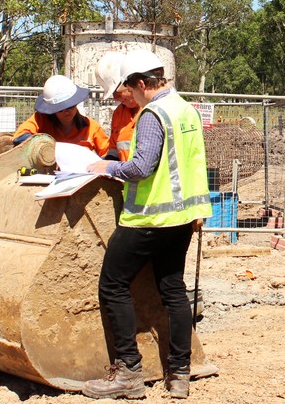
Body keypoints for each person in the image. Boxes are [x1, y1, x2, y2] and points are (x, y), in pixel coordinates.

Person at [83, 50, 212, 400]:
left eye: (131, 89)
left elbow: (141, 167)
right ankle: (180, 374)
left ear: (142, 84)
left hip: (150, 218)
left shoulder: (153, 114)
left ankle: (128, 371)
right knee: (173, 290)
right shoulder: (186, 109)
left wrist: (105, 168)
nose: (131, 96)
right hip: (182, 217)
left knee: (112, 283)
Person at [13, 74, 110, 156]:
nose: (67, 112)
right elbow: (19, 137)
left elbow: (107, 154)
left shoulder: (92, 127)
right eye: (61, 109)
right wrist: (44, 144)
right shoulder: (40, 120)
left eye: (70, 107)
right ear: (52, 109)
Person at [95, 52, 141, 161]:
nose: (115, 98)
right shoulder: (119, 114)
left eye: (117, 92)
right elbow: (114, 149)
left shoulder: (153, 110)